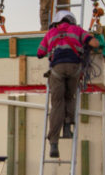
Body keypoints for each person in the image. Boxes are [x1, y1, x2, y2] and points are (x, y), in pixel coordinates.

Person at [36, 9, 95, 159]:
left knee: (57, 104)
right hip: (74, 68)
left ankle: (54, 143)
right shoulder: (77, 30)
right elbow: (94, 43)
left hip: (57, 69)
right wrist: (87, 43)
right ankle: (68, 127)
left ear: (56, 21)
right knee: (70, 97)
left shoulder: (50, 33)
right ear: (71, 20)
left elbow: (40, 53)